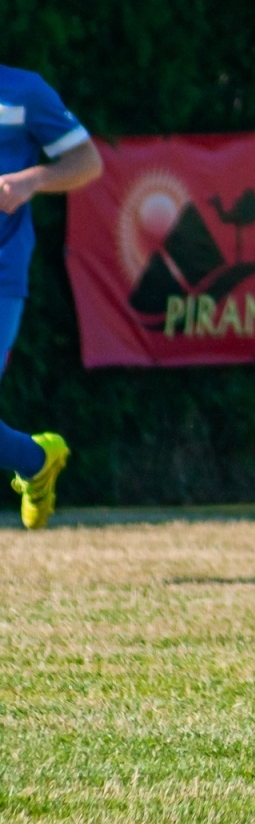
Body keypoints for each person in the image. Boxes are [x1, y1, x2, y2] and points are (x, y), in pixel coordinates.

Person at [0, 66, 102, 530]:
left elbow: (87, 161)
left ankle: (36, 460)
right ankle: (37, 460)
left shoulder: (24, 91)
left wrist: (30, 181)